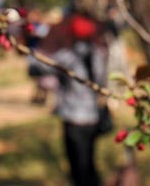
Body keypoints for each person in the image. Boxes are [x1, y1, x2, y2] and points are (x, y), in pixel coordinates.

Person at [32, 10, 109, 186]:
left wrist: (37, 44)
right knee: (89, 162)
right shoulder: (99, 53)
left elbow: (38, 66)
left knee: (78, 167)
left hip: (74, 119)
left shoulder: (68, 57)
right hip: (92, 117)